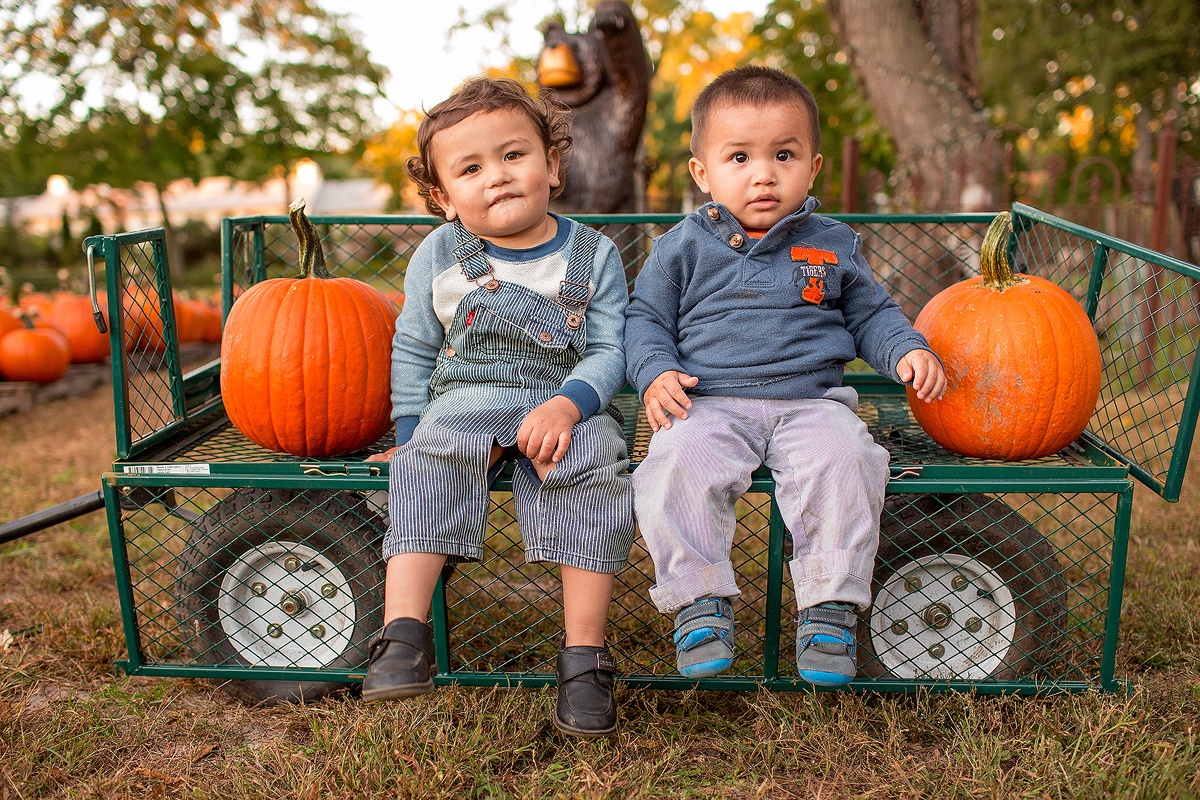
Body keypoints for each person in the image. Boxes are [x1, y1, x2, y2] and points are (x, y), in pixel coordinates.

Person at [624, 65, 946, 686]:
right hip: (708, 401)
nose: (763, 173)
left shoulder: (833, 243)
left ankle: (829, 606)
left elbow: (871, 313)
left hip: (811, 401)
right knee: (673, 463)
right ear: (703, 173)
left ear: (814, 167)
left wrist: (903, 349)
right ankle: (699, 602)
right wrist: (656, 370)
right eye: (739, 156)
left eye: (784, 155)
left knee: (848, 458)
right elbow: (645, 319)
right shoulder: (681, 247)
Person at [363, 77, 635, 737]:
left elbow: (609, 352)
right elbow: (414, 348)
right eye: (471, 168)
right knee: (428, 458)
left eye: (514, 155)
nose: (498, 176)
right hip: (467, 397)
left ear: (553, 165)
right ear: (442, 197)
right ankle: (403, 636)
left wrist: (570, 407)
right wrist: (409, 430)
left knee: (597, 465)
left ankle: (584, 660)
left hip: (564, 398)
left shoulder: (594, 254)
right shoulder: (437, 255)